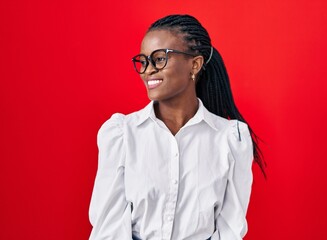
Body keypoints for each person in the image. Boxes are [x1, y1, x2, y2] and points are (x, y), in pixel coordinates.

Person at [89, 14, 265, 240]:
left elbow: (230, 230)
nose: (148, 70)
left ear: (195, 64)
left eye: (159, 59)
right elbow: (107, 228)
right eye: (143, 61)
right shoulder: (122, 134)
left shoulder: (230, 139)